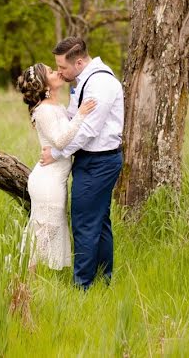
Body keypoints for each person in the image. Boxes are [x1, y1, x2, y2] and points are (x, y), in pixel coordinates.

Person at [40, 36, 124, 289]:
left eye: (62, 67)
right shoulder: (85, 80)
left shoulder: (101, 84)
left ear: (78, 62)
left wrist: (56, 154)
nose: (60, 72)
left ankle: (82, 286)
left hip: (99, 162)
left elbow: (87, 130)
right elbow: (72, 117)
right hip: (91, 160)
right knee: (99, 222)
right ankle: (103, 278)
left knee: (84, 224)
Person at [16, 63, 97, 270]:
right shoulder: (43, 111)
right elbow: (61, 140)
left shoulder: (57, 108)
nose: (57, 72)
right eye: (51, 72)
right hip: (47, 181)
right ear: (44, 84)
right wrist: (81, 114)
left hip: (55, 179)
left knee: (45, 232)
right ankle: (26, 280)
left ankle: (28, 278)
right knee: (45, 233)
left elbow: (70, 137)